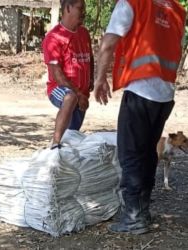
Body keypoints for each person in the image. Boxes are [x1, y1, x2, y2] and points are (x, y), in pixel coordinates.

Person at [94, 0, 186, 234]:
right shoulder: (176, 10)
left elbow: (108, 43)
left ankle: (134, 216)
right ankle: (142, 209)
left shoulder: (133, 3)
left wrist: (100, 78)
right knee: (147, 152)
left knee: (131, 153)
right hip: (165, 95)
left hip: (140, 91)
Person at [42, 0, 94, 149]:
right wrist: (77, 94)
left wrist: (91, 80)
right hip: (59, 89)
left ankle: (62, 156)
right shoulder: (53, 38)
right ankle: (55, 144)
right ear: (68, 8)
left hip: (81, 94)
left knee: (71, 136)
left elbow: (90, 57)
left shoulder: (84, 33)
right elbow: (57, 75)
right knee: (70, 97)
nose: (83, 12)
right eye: (80, 8)